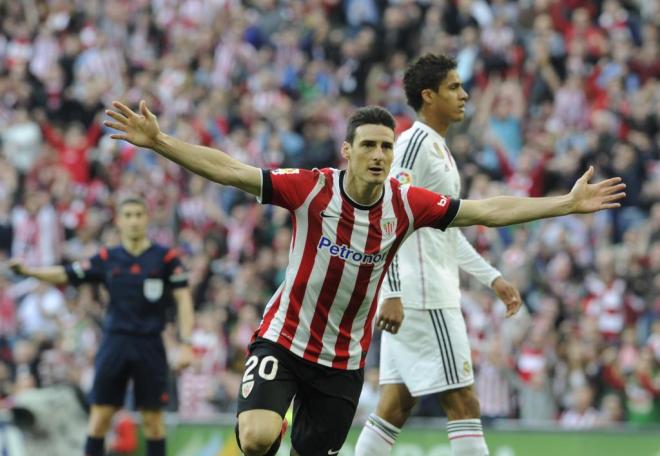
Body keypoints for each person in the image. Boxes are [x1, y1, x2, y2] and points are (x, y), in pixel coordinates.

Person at [102, 99, 625, 456]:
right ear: (347, 152)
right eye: (369, 146)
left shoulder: (406, 204)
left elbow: (486, 210)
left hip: (343, 360)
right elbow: (232, 170)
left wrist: (565, 203)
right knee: (259, 437)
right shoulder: (311, 188)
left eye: (386, 147)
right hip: (284, 338)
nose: (379, 155)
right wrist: (160, 141)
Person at [355, 53, 522, 456]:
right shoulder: (413, 145)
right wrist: (391, 290)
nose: (464, 95)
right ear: (429, 96)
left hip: (420, 293)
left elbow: (444, 230)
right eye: (454, 87)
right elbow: (385, 212)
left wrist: (491, 277)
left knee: (394, 408)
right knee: (465, 405)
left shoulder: (437, 148)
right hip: (423, 298)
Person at [9, 197, 194, 456]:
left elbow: (183, 300)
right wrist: (31, 271)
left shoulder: (165, 258)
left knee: (153, 422)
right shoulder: (108, 257)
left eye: (138, 214)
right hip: (115, 342)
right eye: (127, 215)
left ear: (147, 218)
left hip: (150, 343)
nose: (133, 220)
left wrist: (186, 344)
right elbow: (68, 273)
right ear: (119, 220)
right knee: (100, 418)